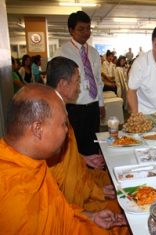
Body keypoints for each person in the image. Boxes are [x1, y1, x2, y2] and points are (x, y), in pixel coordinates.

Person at [0, 84, 127, 234]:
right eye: (63, 124)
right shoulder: (12, 195)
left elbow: (58, 208)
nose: (67, 131)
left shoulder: (31, 159)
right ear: (37, 129)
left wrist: (90, 217)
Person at [46, 57, 129, 234]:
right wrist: (97, 193)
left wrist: (82, 158)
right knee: (124, 206)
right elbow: (59, 180)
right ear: (62, 84)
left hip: (82, 179)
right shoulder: (51, 118)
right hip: (72, 202)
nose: (80, 87)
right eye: (77, 81)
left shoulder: (59, 108)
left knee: (119, 179)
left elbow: (63, 159)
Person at [55, 11, 105, 156]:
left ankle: (93, 175)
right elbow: (58, 85)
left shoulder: (94, 53)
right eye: (81, 29)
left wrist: (100, 103)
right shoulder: (62, 53)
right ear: (71, 30)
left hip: (93, 106)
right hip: (74, 108)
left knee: (93, 143)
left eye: (88, 28)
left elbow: (97, 80)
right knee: (75, 146)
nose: (86, 32)